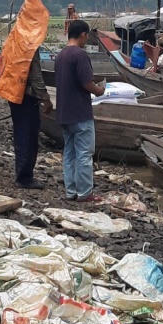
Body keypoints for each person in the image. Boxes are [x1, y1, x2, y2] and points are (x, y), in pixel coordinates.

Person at [55, 19, 106, 201]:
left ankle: (71, 191)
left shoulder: (61, 55)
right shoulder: (80, 55)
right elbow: (86, 83)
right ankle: (85, 193)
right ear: (83, 35)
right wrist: (100, 90)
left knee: (69, 154)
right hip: (80, 113)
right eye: (87, 36)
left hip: (64, 112)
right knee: (84, 154)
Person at [9, 47, 53, 189]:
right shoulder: (30, 45)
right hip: (26, 95)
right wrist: (45, 98)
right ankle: (24, 177)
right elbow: (35, 75)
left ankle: (22, 173)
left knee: (21, 133)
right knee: (28, 136)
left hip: (13, 91)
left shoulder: (15, 40)